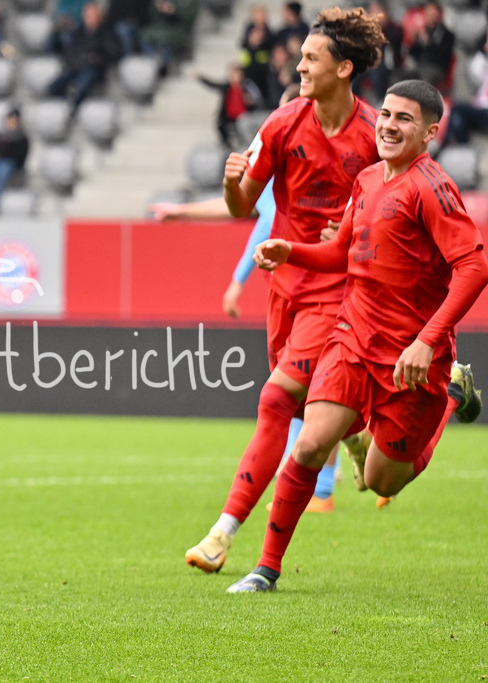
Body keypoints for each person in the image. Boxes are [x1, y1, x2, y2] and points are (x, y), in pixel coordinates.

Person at [228, 80, 488, 593]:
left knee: (379, 479)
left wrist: (428, 341)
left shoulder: (432, 188)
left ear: (431, 132)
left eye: (405, 120)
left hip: (411, 359)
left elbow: (475, 266)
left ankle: (451, 396)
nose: (389, 125)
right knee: (308, 446)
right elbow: (341, 251)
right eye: (386, 115)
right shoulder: (367, 179)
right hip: (350, 338)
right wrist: (292, 251)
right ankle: (265, 569)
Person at [185, 7, 388, 574]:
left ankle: (221, 535)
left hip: (342, 290)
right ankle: (354, 432)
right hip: (287, 287)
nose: (297, 66)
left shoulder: (375, 133)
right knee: (299, 400)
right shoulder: (280, 124)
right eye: (299, 56)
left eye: (310, 58)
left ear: (344, 68)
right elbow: (244, 206)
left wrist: (354, 228)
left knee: (276, 399)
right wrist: (231, 186)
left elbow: (397, 207)